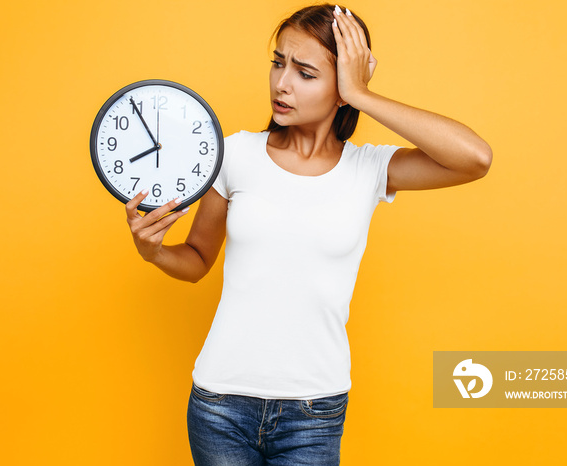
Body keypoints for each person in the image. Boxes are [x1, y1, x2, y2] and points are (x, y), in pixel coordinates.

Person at [125, 4, 492, 464]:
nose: (282, 83)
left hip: (313, 412)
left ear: (340, 87)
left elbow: (475, 158)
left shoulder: (368, 168)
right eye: (278, 62)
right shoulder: (234, 153)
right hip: (220, 404)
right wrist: (152, 251)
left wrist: (361, 94)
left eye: (305, 72)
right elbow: (197, 260)